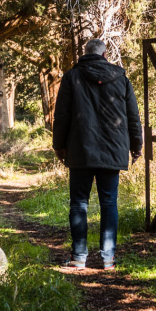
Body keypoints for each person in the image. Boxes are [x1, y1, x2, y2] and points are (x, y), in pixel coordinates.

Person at [52, 38, 142, 270]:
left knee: (79, 204)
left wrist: (59, 146)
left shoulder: (72, 76)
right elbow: (133, 116)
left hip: (80, 149)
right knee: (109, 203)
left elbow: (61, 115)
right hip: (113, 151)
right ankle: (108, 259)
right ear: (104, 55)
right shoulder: (121, 78)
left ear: (86, 53)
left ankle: (78, 258)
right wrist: (137, 146)